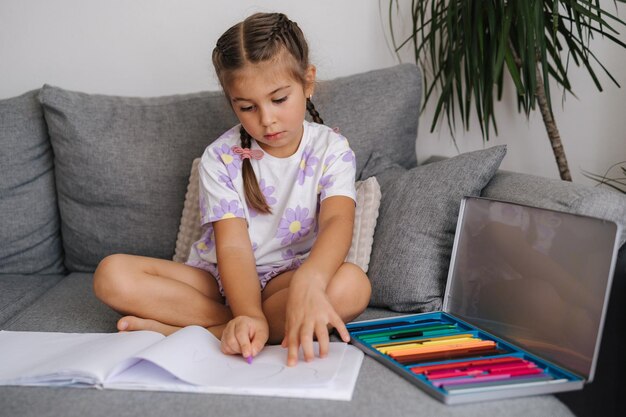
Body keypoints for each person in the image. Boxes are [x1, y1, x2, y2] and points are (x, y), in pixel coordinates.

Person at [93, 12, 371, 367]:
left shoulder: (332, 149)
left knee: (353, 285)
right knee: (111, 274)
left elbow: (337, 221)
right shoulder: (220, 158)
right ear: (231, 102)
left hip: (287, 280)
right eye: (247, 107)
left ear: (308, 81)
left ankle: (203, 330)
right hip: (217, 279)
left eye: (279, 99)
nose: (266, 119)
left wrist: (311, 281)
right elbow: (234, 247)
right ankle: (238, 324)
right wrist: (248, 311)